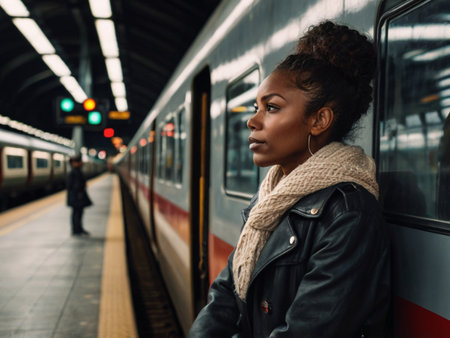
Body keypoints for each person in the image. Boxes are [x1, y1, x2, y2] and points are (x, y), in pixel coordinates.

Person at [189, 21, 391, 337]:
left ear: (319, 120)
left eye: (271, 108)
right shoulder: (271, 195)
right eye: (257, 107)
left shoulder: (349, 212)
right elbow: (225, 295)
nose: (252, 121)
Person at [67, 154, 92, 236]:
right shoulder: (74, 172)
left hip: (76, 196)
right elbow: (74, 186)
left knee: (78, 213)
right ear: (75, 163)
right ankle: (76, 230)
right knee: (77, 213)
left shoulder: (75, 171)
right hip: (76, 197)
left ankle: (79, 229)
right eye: (79, 162)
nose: (81, 163)